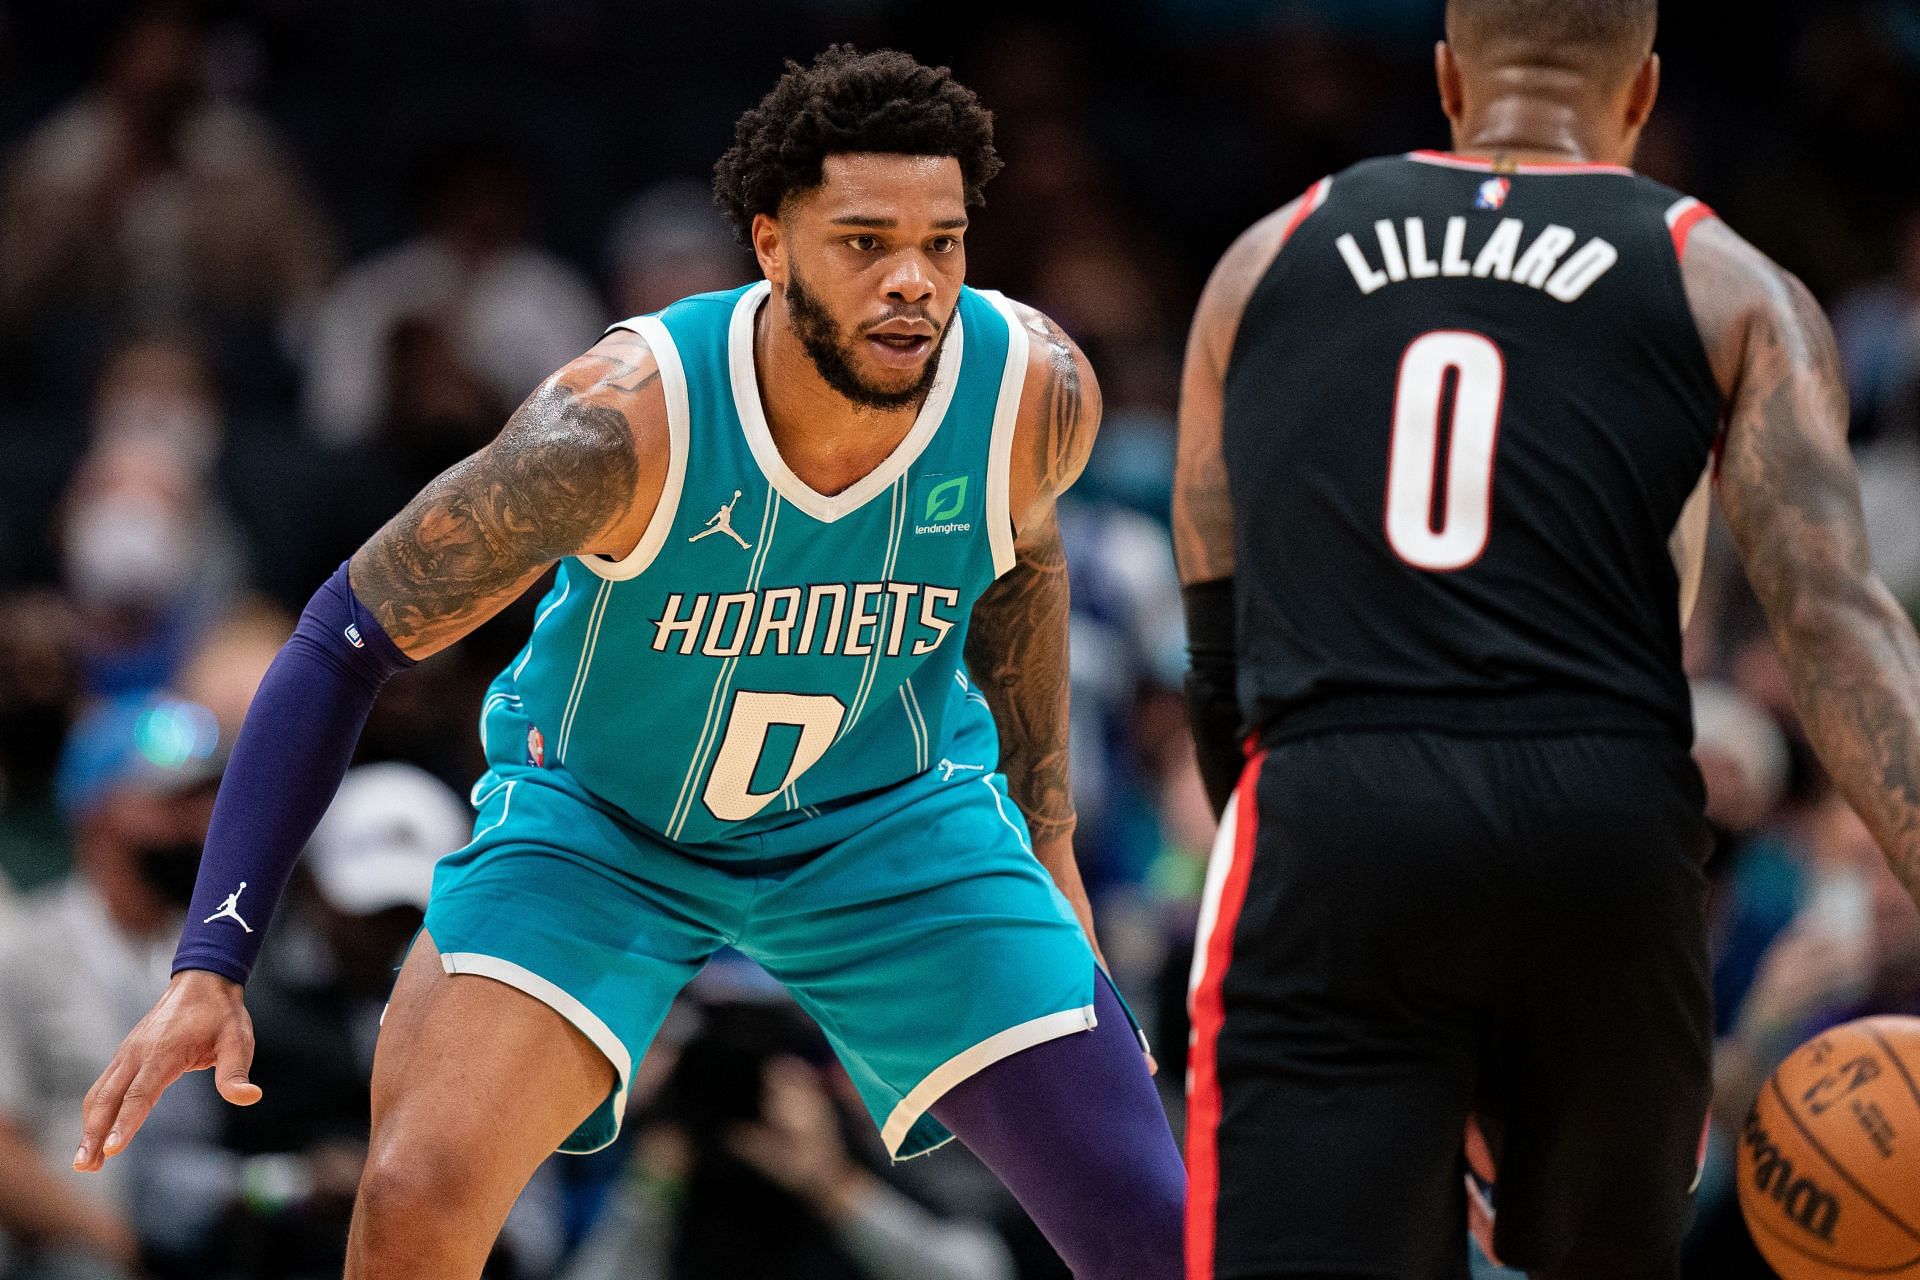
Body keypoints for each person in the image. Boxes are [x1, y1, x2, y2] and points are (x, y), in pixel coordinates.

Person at [79, 46, 1186, 1280]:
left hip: (893, 824)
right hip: (605, 828)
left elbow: (1023, 559)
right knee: (414, 1195)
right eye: (865, 242)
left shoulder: (1033, 392)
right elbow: (340, 635)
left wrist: (1048, 846)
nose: (913, 283)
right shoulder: (617, 425)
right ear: (770, 243)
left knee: (1152, 1222)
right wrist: (211, 960)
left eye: (943, 242)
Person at [1175, 1, 1920, 1277]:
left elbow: (1217, 657)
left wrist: (1337, 886)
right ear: (1641, 97)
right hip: (1606, 828)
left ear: (1450, 79)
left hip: (1335, 810)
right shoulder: (1728, 278)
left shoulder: (1262, 259)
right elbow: (1836, 622)